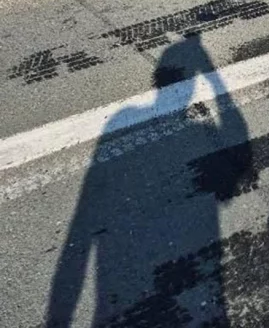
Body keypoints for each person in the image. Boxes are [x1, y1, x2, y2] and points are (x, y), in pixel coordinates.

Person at [45, 37, 253, 326]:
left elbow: (82, 227)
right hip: (194, 284)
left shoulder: (121, 119)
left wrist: (58, 318)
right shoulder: (197, 130)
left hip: (116, 291)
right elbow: (234, 177)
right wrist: (216, 83)